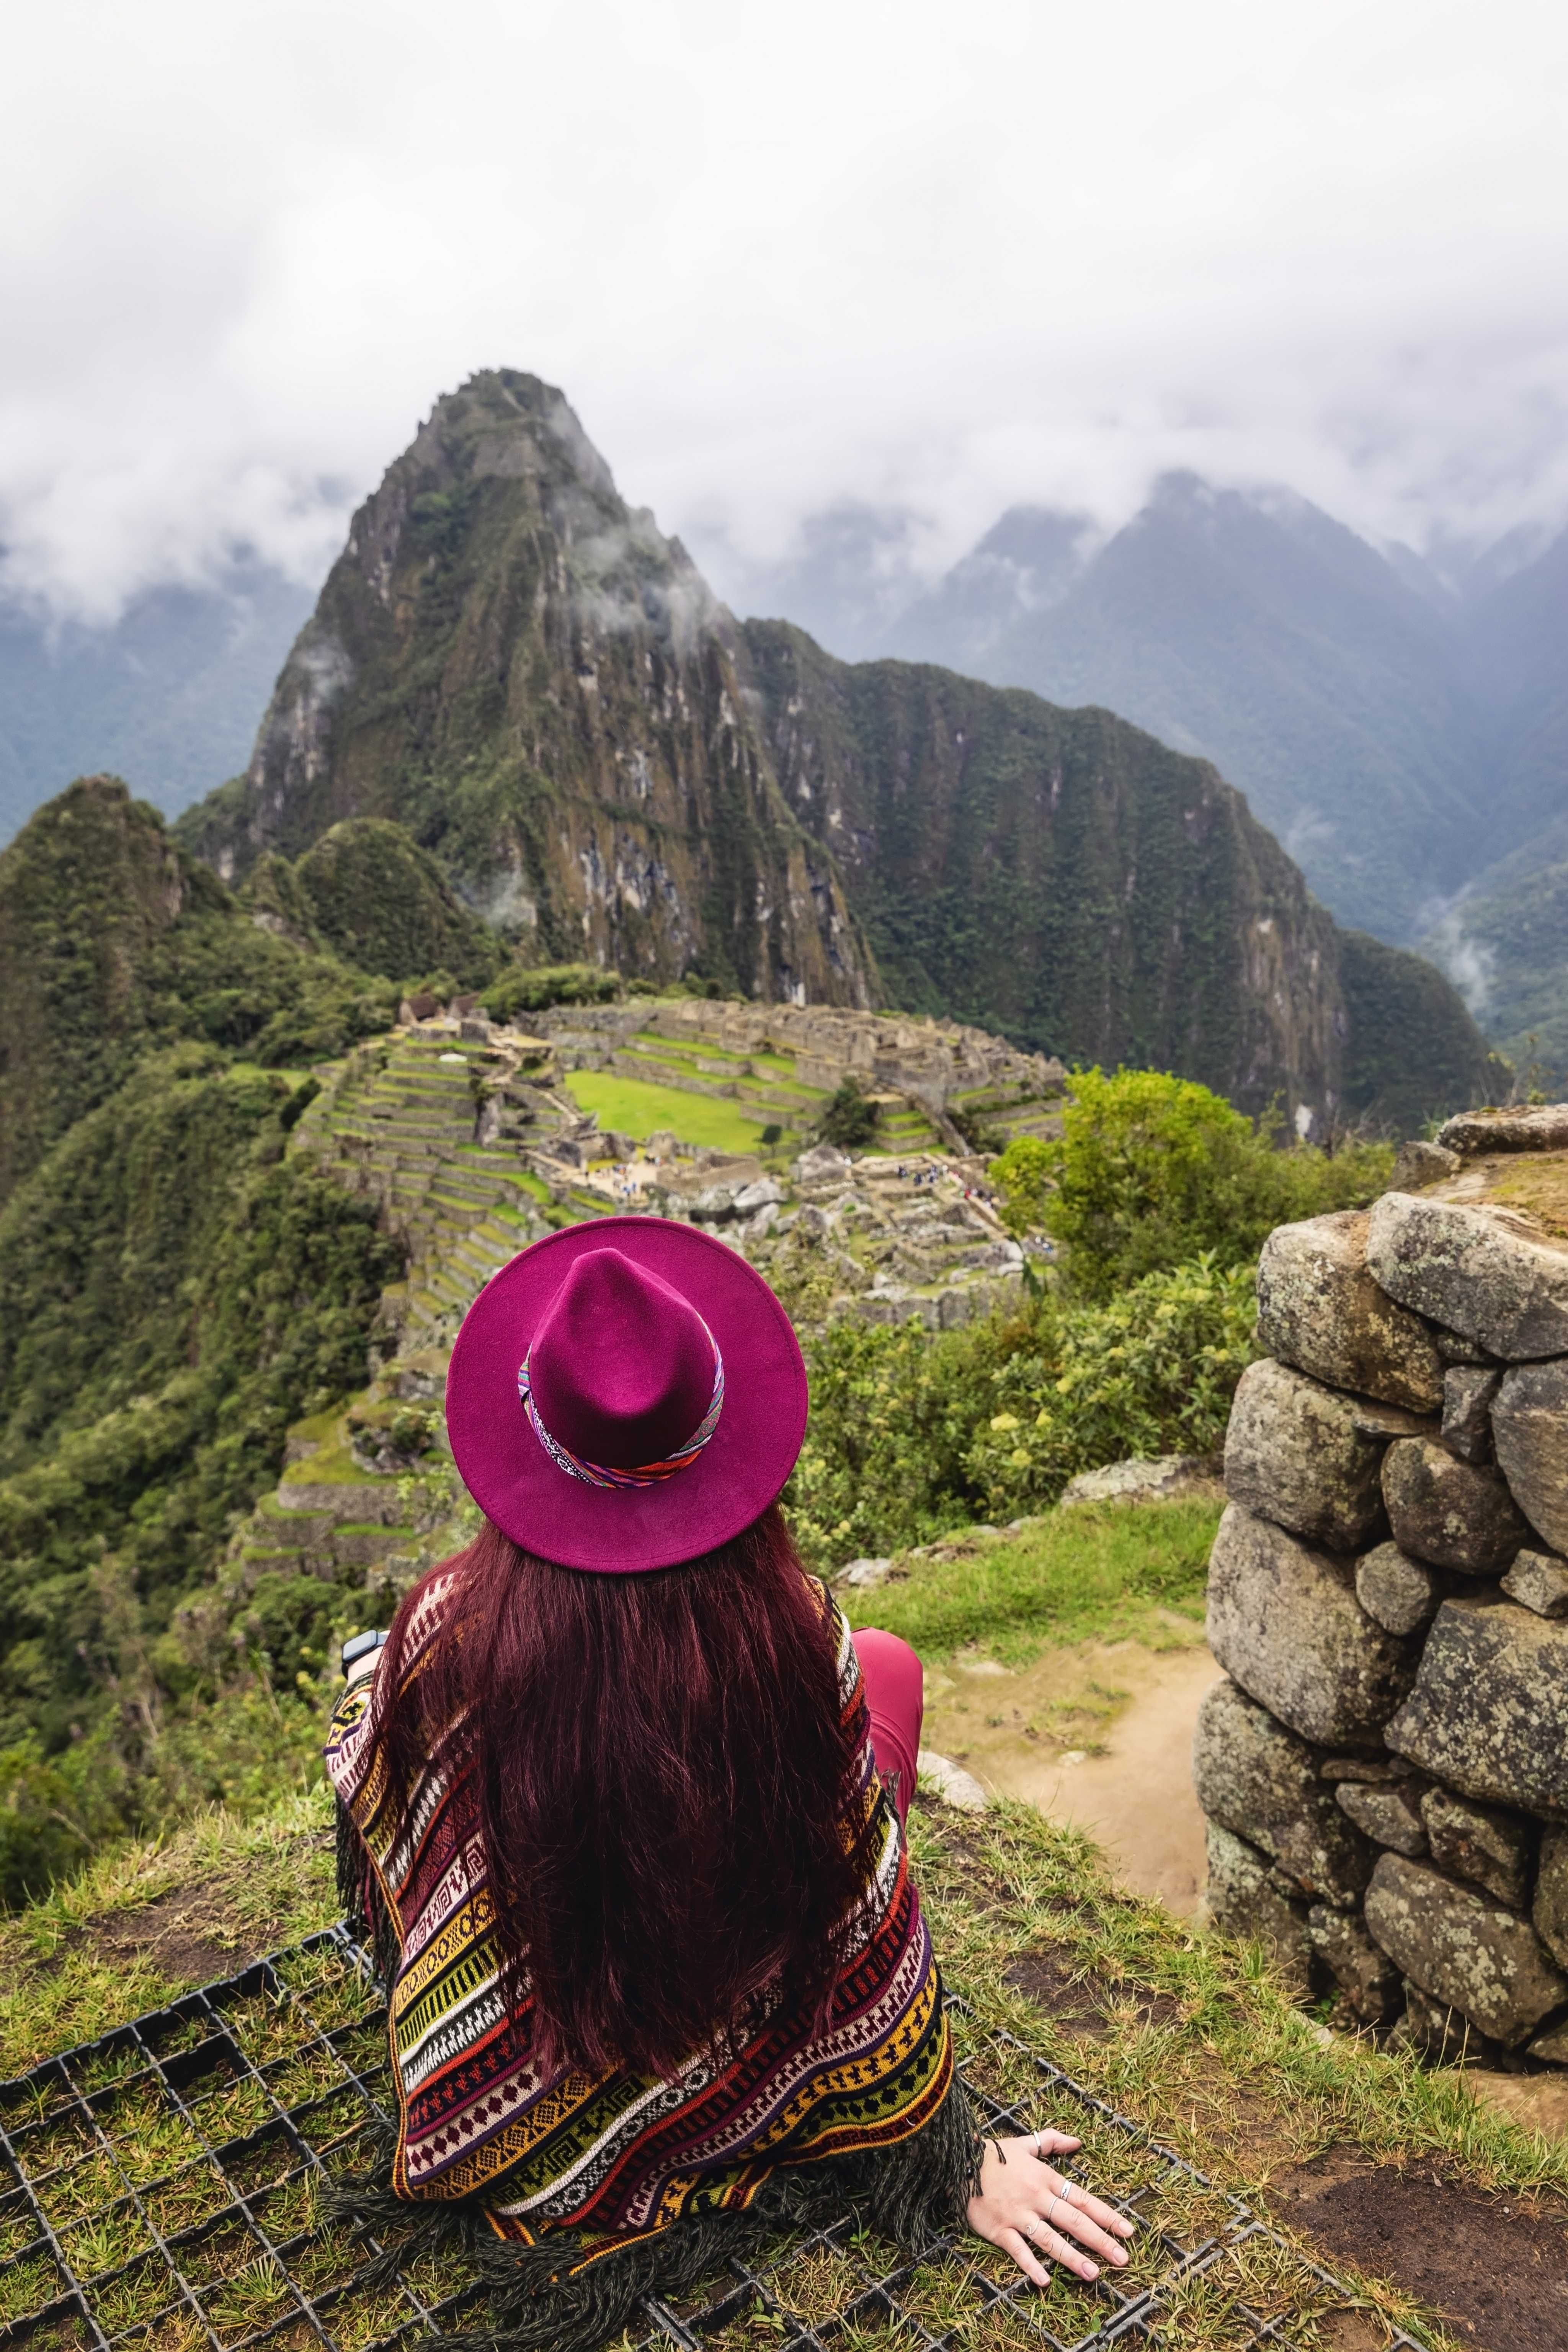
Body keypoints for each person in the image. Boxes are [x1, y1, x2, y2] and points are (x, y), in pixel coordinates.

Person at [326, 1219, 1132, 2349]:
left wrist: (386, 1693)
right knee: (890, 1671)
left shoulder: (437, 1634)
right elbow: (865, 1931)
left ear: (532, 1436)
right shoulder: (797, 1641)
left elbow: (378, 1805)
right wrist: (950, 2152)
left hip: (526, 2052)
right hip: (735, 1972)